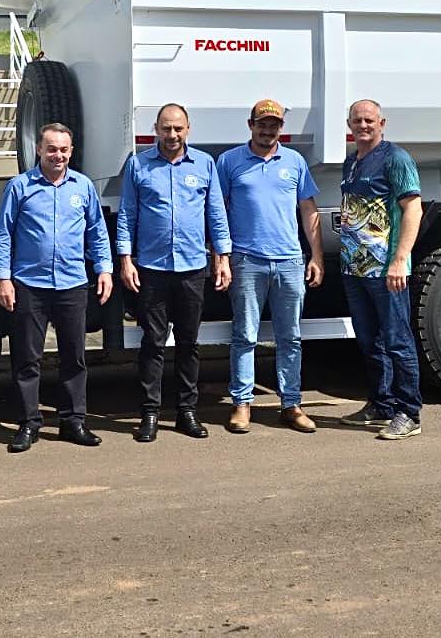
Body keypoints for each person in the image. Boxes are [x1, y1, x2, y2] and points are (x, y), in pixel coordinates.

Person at [0, 123, 114, 452]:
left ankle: (73, 421)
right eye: (51, 149)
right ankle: (28, 423)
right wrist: (2, 278)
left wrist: (104, 269)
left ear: (71, 152)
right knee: (27, 359)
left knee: (74, 357)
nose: (57, 155)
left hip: (72, 284)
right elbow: (3, 234)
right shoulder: (20, 187)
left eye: (63, 149)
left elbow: (96, 232)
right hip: (29, 285)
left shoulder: (83, 186)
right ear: (39, 150)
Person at [116, 103, 232, 443]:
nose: (172, 135)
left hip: (192, 268)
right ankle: (150, 413)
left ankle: (186, 412)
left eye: (178, 128)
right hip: (152, 269)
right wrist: (125, 259)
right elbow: (127, 215)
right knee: (152, 343)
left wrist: (222, 257)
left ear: (188, 129)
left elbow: (216, 214)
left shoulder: (205, 164)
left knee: (188, 344)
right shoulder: (138, 165)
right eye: (166, 128)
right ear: (156, 129)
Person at [216, 99, 325, 434]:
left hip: (290, 261)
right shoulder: (229, 161)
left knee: (290, 337)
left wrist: (316, 255)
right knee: (244, 336)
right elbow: (217, 211)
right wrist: (221, 256)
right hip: (247, 260)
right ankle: (242, 404)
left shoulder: (294, 162)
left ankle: (291, 405)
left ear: (281, 128)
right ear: (250, 125)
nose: (267, 130)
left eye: (273, 125)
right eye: (262, 124)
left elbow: (308, 209)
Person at [337, 98, 424, 440]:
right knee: (369, 341)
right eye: (357, 120)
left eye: (369, 120)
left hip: (386, 270)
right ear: (349, 125)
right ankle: (381, 404)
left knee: (398, 341)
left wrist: (400, 260)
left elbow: (413, 209)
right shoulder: (352, 161)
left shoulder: (396, 159)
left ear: (382, 123)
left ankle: (409, 412)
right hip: (355, 269)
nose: (363, 125)